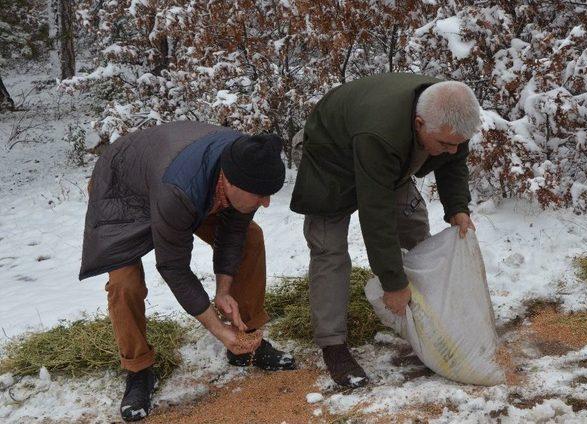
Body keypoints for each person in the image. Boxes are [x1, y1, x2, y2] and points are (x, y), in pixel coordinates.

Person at [79, 122, 296, 422]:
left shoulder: (249, 162)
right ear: (231, 183)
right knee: (124, 283)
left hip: (177, 177)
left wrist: (223, 291)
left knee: (250, 238)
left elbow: (233, 234)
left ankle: (247, 341)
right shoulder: (179, 191)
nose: (267, 203)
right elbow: (173, 267)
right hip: (123, 190)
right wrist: (218, 330)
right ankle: (138, 369)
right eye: (261, 195)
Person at [290, 73, 481, 388]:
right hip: (330, 161)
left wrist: (457, 208)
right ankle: (333, 345)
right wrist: (392, 283)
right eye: (445, 144)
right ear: (420, 124)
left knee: (415, 228)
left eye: (456, 143)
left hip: (387, 155)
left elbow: (454, 162)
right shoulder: (382, 133)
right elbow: (375, 212)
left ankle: (429, 322)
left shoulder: (451, 113)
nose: (451, 149)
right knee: (329, 250)